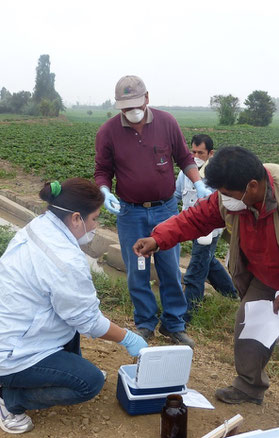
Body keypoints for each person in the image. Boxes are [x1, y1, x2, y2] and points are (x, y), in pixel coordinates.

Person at [133, 146, 279, 413]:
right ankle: (249, 387)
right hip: (270, 273)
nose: (222, 199)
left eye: (226, 194)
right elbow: (194, 220)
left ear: (252, 186)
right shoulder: (231, 196)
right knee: (249, 327)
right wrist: (158, 238)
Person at [0, 178, 148, 434]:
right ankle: (8, 398)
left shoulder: (41, 225)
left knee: (68, 319)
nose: (96, 225)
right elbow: (88, 321)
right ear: (76, 218)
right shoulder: (64, 259)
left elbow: (75, 312)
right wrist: (128, 338)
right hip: (6, 355)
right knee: (89, 383)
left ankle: (66, 370)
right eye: (95, 219)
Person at [94, 75, 210, 348]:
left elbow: (184, 157)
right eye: (124, 107)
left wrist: (198, 182)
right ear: (118, 105)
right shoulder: (108, 132)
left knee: (170, 268)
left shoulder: (167, 122)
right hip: (130, 212)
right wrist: (105, 192)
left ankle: (174, 324)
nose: (131, 111)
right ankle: (145, 323)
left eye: (135, 104)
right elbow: (102, 170)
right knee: (137, 270)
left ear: (147, 98)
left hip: (165, 209)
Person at [174, 134, 237, 321]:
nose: (196, 156)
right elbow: (176, 195)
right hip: (190, 225)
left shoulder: (217, 175)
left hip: (209, 230)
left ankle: (189, 314)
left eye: (200, 152)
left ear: (211, 153)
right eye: (192, 151)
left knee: (195, 270)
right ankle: (231, 294)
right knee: (207, 261)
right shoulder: (184, 173)